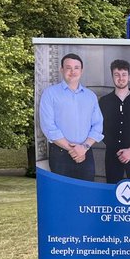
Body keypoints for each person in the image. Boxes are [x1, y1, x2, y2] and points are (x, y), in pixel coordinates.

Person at [38, 53, 103, 181]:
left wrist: (83, 148)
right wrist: (73, 150)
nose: (72, 71)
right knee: (63, 196)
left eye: (76, 68)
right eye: (68, 67)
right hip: (60, 155)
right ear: (61, 70)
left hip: (86, 153)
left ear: (81, 71)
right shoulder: (50, 93)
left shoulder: (90, 96)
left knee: (86, 196)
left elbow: (98, 125)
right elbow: (48, 126)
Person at [97, 58, 130, 184]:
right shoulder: (104, 101)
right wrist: (118, 151)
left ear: (129, 77)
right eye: (117, 75)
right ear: (112, 77)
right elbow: (101, 128)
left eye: (124, 75)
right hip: (112, 155)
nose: (121, 78)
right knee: (112, 192)